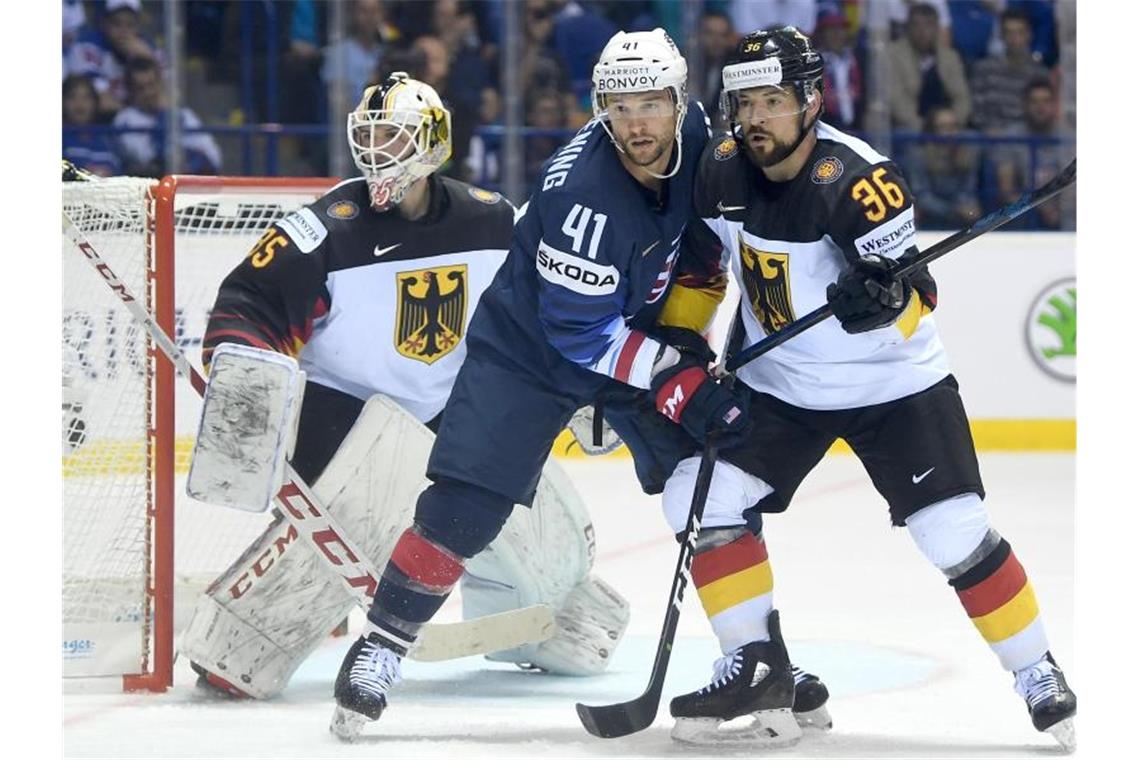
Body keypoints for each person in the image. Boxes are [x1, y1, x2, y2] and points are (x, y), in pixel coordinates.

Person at [328, 28, 836, 743]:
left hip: (637, 329)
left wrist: (687, 337)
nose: (639, 123)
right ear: (601, 107)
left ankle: (756, 656)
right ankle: (380, 646)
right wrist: (676, 378)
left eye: (653, 103)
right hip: (531, 355)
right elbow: (582, 338)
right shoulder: (583, 199)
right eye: (621, 106)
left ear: (679, 100)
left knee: (708, 478)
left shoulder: (700, 136)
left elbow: (707, 234)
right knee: (466, 505)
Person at [669, 26, 1076, 749]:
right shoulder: (721, 169)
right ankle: (763, 668)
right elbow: (705, 270)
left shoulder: (860, 180)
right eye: (744, 102)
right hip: (780, 384)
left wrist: (884, 304)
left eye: (771, 101)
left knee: (951, 532)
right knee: (697, 496)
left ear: (811, 100)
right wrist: (682, 350)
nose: (755, 118)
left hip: (892, 385)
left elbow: (919, 303)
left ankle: (1035, 669)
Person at [183, 73, 628, 700]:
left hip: (453, 410)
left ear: (433, 140)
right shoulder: (323, 230)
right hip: (343, 421)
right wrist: (245, 367)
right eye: (368, 135)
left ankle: (532, 627)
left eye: (393, 134)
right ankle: (244, 637)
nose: (378, 149)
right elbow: (247, 303)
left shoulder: (493, 219)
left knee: (539, 537)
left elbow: (546, 311)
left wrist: (583, 389)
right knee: (362, 523)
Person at [112, 57, 222, 176]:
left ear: (160, 83)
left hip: (188, 184)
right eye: (141, 88)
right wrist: (164, 115)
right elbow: (151, 160)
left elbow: (213, 156)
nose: (149, 93)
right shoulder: (125, 120)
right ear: (131, 91)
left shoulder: (183, 114)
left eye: (151, 84)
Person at [887, 2, 971, 132]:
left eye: (928, 25)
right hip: (910, 127)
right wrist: (927, 128)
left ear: (937, 28)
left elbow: (962, 97)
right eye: (916, 25)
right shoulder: (893, 54)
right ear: (907, 28)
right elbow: (896, 102)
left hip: (949, 127)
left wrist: (952, 123)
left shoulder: (950, 57)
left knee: (971, 141)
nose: (922, 31)